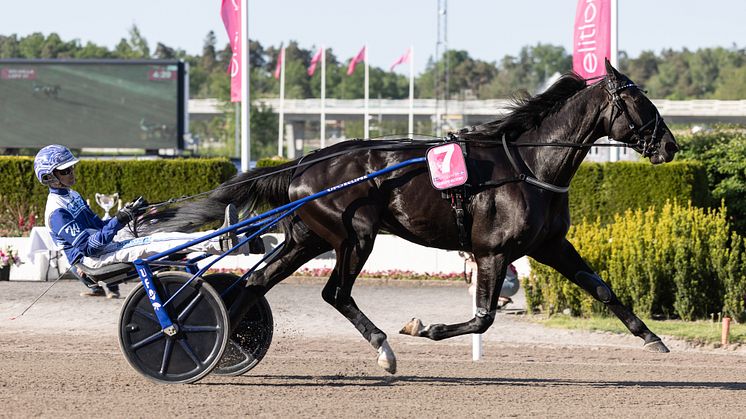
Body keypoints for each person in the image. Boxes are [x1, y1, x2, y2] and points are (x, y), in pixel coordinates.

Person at [34, 144, 247, 298]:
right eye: (65, 170)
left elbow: (99, 227)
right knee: (158, 244)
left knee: (162, 236)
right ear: (49, 177)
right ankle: (221, 242)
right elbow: (89, 248)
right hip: (93, 260)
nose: (71, 173)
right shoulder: (57, 213)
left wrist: (129, 214)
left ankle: (240, 241)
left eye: (71, 168)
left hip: (106, 247)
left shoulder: (73, 195)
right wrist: (119, 220)